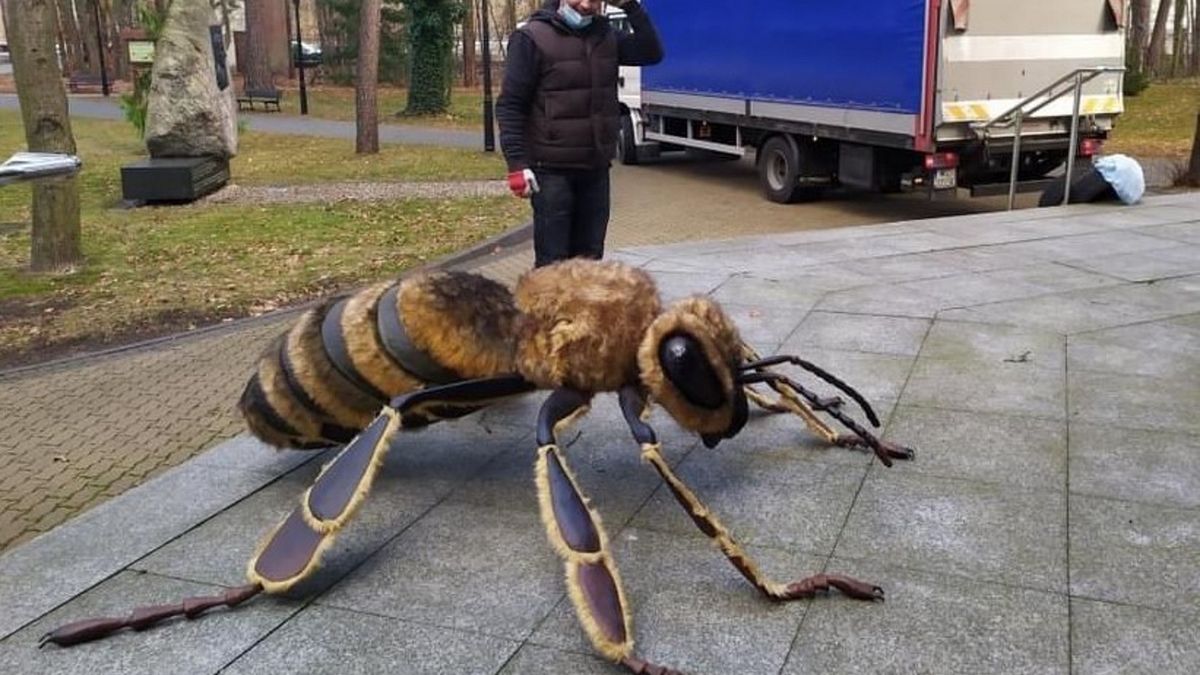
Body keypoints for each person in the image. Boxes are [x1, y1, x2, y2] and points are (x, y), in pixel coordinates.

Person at [497, 0, 663, 268]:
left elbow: (651, 52)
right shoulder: (532, 37)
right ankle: (546, 311)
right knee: (554, 265)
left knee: (590, 261)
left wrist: (632, 7)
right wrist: (517, 164)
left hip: (595, 169)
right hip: (551, 172)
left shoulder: (605, 36)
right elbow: (511, 106)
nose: (587, 5)